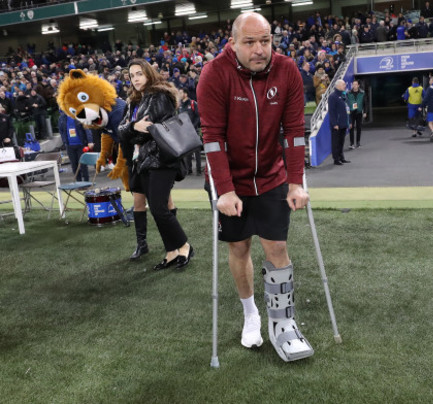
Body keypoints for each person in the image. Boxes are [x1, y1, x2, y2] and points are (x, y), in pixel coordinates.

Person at [197, 12, 314, 362]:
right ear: (233, 43)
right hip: (229, 179)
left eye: (265, 40)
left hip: (271, 175)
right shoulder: (214, 74)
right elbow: (213, 139)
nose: (259, 49)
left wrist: (296, 182)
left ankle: (284, 323)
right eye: (249, 42)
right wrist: (226, 190)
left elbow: (293, 131)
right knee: (239, 247)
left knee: (277, 246)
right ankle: (251, 314)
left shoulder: (287, 70)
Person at [118, 59, 193, 271]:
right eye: (132, 76)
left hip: (161, 160)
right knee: (157, 209)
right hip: (143, 162)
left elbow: (143, 134)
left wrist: (132, 130)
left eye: (139, 73)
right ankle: (171, 252)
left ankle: (184, 246)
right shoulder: (136, 101)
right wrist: (134, 127)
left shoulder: (158, 96)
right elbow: (121, 131)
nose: (136, 78)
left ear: (149, 73)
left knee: (160, 208)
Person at [58, 111, 93, 181]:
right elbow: (61, 131)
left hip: (81, 144)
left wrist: (90, 141)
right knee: (74, 166)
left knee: (83, 165)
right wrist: (64, 141)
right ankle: (78, 182)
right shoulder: (62, 118)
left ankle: (86, 182)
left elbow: (86, 129)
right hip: (69, 145)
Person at [178, 87, 202, 176]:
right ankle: (189, 170)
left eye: (180, 93)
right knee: (187, 152)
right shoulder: (180, 105)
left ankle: (199, 170)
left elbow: (198, 116)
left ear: (185, 94)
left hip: (194, 130)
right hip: (185, 131)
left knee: (197, 151)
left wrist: (193, 126)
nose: (179, 95)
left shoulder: (193, 103)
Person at [328, 79, 350, 165]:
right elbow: (332, 112)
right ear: (338, 86)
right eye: (343, 84)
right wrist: (334, 124)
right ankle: (336, 159)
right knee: (336, 143)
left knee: (341, 142)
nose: (345, 86)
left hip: (343, 123)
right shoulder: (332, 97)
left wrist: (348, 122)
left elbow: (347, 109)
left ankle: (341, 157)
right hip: (337, 125)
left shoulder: (344, 96)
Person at [347, 80, 366, 149]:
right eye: (353, 84)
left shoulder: (362, 93)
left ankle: (358, 142)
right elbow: (346, 102)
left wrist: (365, 112)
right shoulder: (348, 93)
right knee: (351, 128)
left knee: (359, 128)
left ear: (358, 85)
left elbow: (365, 103)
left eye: (355, 84)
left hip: (359, 112)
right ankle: (351, 143)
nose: (354, 86)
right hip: (351, 112)